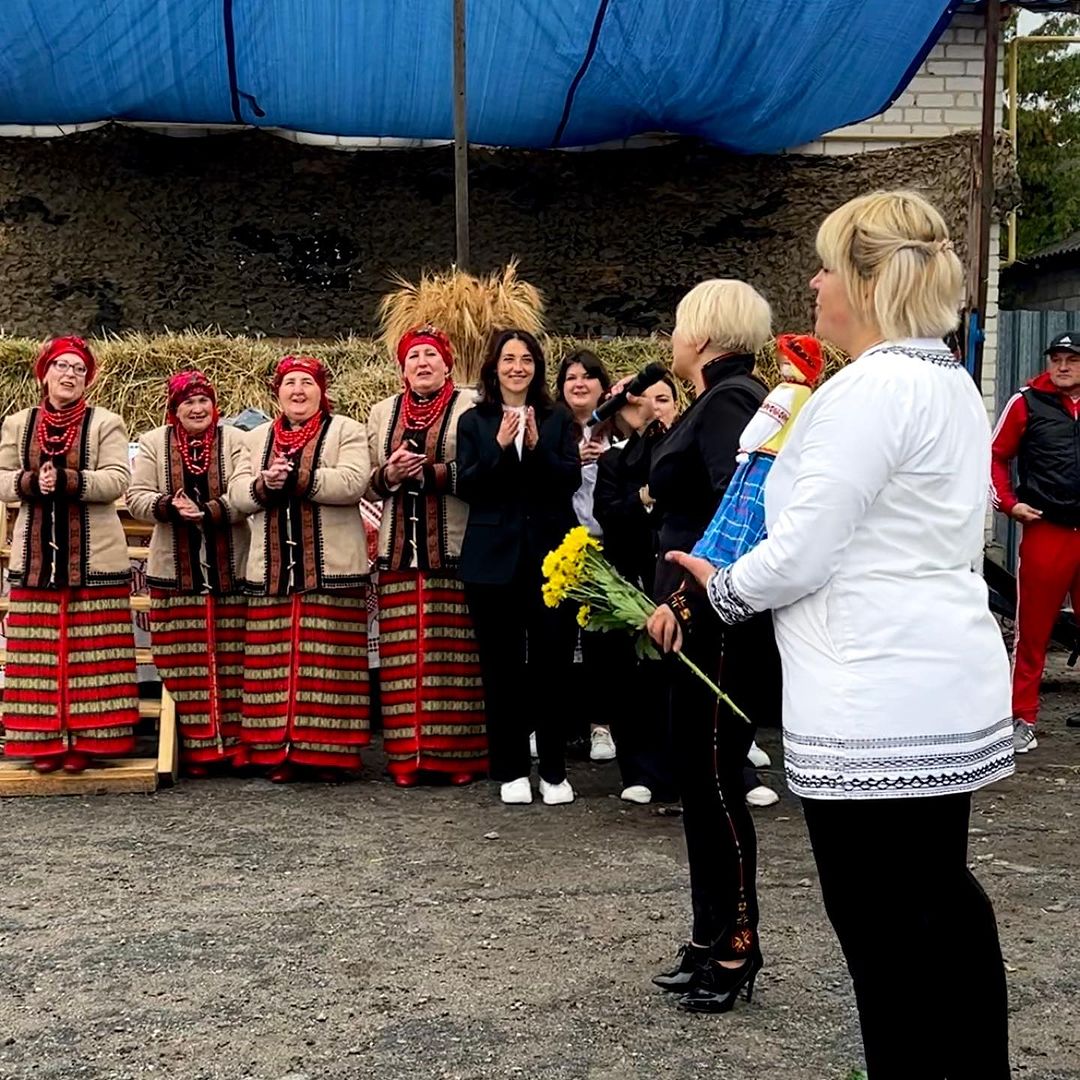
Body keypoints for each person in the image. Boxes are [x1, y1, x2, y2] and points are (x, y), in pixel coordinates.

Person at [652, 191, 1014, 1075]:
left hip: (872, 689)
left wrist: (723, 586)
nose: (812, 283)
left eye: (823, 266)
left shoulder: (866, 390)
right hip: (941, 676)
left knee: (883, 925)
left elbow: (803, 550)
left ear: (861, 281)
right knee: (942, 903)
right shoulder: (950, 380)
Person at [644, 280, 779, 1013]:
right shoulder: (719, 397)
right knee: (698, 781)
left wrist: (689, 598)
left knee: (718, 783)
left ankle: (737, 944)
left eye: (677, 322)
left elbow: (744, 512)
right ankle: (708, 934)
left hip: (716, 621)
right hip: (694, 614)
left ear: (700, 330)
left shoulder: (730, 399)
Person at [228, 355, 372, 782]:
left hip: (330, 567)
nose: (298, 390)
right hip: (272, 569)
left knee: (328, 660)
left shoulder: (346, 429)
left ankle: (330, 755)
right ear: (277, 392)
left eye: (306, 383)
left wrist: (295, 478)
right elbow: (236, 493)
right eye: (290, 382)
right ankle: (276, 751)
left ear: (320, 391)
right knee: (275, 662)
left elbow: (353, 483)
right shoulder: (254, 439)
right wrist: (262, 484)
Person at [0, 336, 138, 773]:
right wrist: (29, 483)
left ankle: (90, 742)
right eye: (61, 366)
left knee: (91, 651)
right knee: (39, 653)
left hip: (93, 556)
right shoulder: (19, 424)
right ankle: (43, 742)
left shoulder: (106, 423)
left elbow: (118, 479)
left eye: (78, 369)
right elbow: (0, 478)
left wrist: (67, 481)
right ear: (44, 373)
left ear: (88, 379)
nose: (69, 375)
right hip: (37, 557)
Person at [456, 329, 581, 806]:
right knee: (501, 667)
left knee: (552, 665)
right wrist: (503, 447)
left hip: (551, 558)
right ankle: (509, 767)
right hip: (492, 560)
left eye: (526, 359)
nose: (517, 367)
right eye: (508, 359)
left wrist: (538, 446)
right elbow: (468, 485)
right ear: (494, 367)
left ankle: (552, 769)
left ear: (537, 367)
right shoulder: (474, 421)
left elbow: (567, 479)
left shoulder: (556, 418)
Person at [366, 326, 487, 787]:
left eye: (430, 356)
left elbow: (482, 470)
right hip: (400, 551)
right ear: (402, 367)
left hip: (451, 546)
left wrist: (434, 474)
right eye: (413, 356)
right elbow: (367, 481)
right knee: (403, 658)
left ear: (448, 364)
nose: (422, 362)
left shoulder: (471, 406)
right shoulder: (382, 412)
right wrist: (390, 472)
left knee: (451, 653)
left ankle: (457, 757)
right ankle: (406, 757)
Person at [127, 371, 251, 776]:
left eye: (204, 402)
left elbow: (245, 490)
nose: (197, 409)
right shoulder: (153, 443)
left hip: (230, 564)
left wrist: (213, 511)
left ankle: (235, 744)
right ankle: (197, 748)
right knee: (185, 659)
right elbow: (136, 496)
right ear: (174, 409)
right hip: (174, 569)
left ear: (214, 407)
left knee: (235, 658)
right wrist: (168, 506)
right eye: (188, 403)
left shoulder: (235, 440)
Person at [991, 330, 1080, 752]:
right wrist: (1009, 504)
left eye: (1072, 359)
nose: (1062, 366)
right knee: (1033, 632)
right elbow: (995, 455)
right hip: (1048, 528)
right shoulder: (1026, 401)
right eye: (1056, 358)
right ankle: (1022, 719)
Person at [593, 374, 681, 803]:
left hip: (680, 575)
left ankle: (712, 770)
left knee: (683, 674)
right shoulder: (615, 463)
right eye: (643, 403)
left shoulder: (691, 453)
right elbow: (608, 513)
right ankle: (638, 772)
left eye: (663, 399)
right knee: (633, 676)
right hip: (633, 575)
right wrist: (644, 497)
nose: (654, 409)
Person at [556, 348, 618, 763]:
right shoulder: (552, 428)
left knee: (603, 641)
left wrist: (609, 458)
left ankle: (603, 725)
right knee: (556, 639)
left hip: (607, 543)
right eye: (571, 377)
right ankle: (555, 723)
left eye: (588, 377)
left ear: (602, 386)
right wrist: (569, 462)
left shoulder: (619, 427)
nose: (579, 384)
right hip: (562, 545)